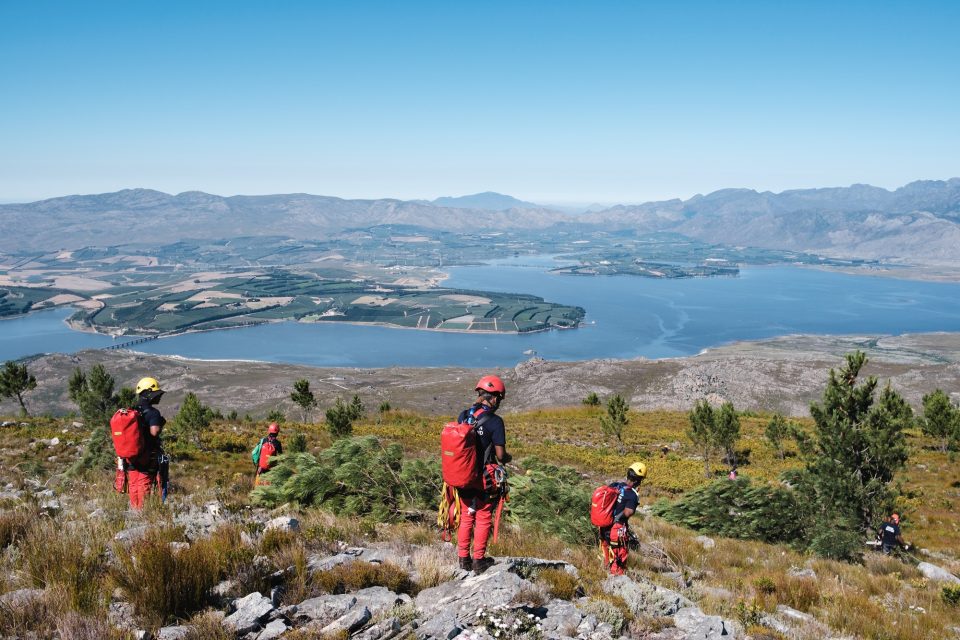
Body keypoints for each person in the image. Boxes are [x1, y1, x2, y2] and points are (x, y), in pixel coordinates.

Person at [455, 375, 511, 574]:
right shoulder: (495, 422)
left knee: (466, 515)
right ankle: (479, 561)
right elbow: (500, 456)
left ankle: (463, 559)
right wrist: (508, 458)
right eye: (499, 399)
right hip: (484, 477)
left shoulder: (463, 416)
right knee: (484, 515)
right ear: (493, 397)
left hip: (463, 475)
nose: (499, 403)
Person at [126, 377, 167, 510]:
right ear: (149, 393)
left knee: (133, 483)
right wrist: (160, 423)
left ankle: (134, 510)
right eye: (156, 394)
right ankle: (142, 512)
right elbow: (154, 432)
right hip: (147, 454)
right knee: (144, 481)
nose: (159, 397)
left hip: (131, 453)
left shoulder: (132, 410)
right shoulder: (153, 412)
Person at [599, 462, 646, 575]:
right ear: (638, 481)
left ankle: (604, 574)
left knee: (606, 553)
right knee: (618, 557)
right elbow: (628, 512)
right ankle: (617, 581)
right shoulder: (632, 494)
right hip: (617, 528)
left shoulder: (615, 485)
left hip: (604, 525)